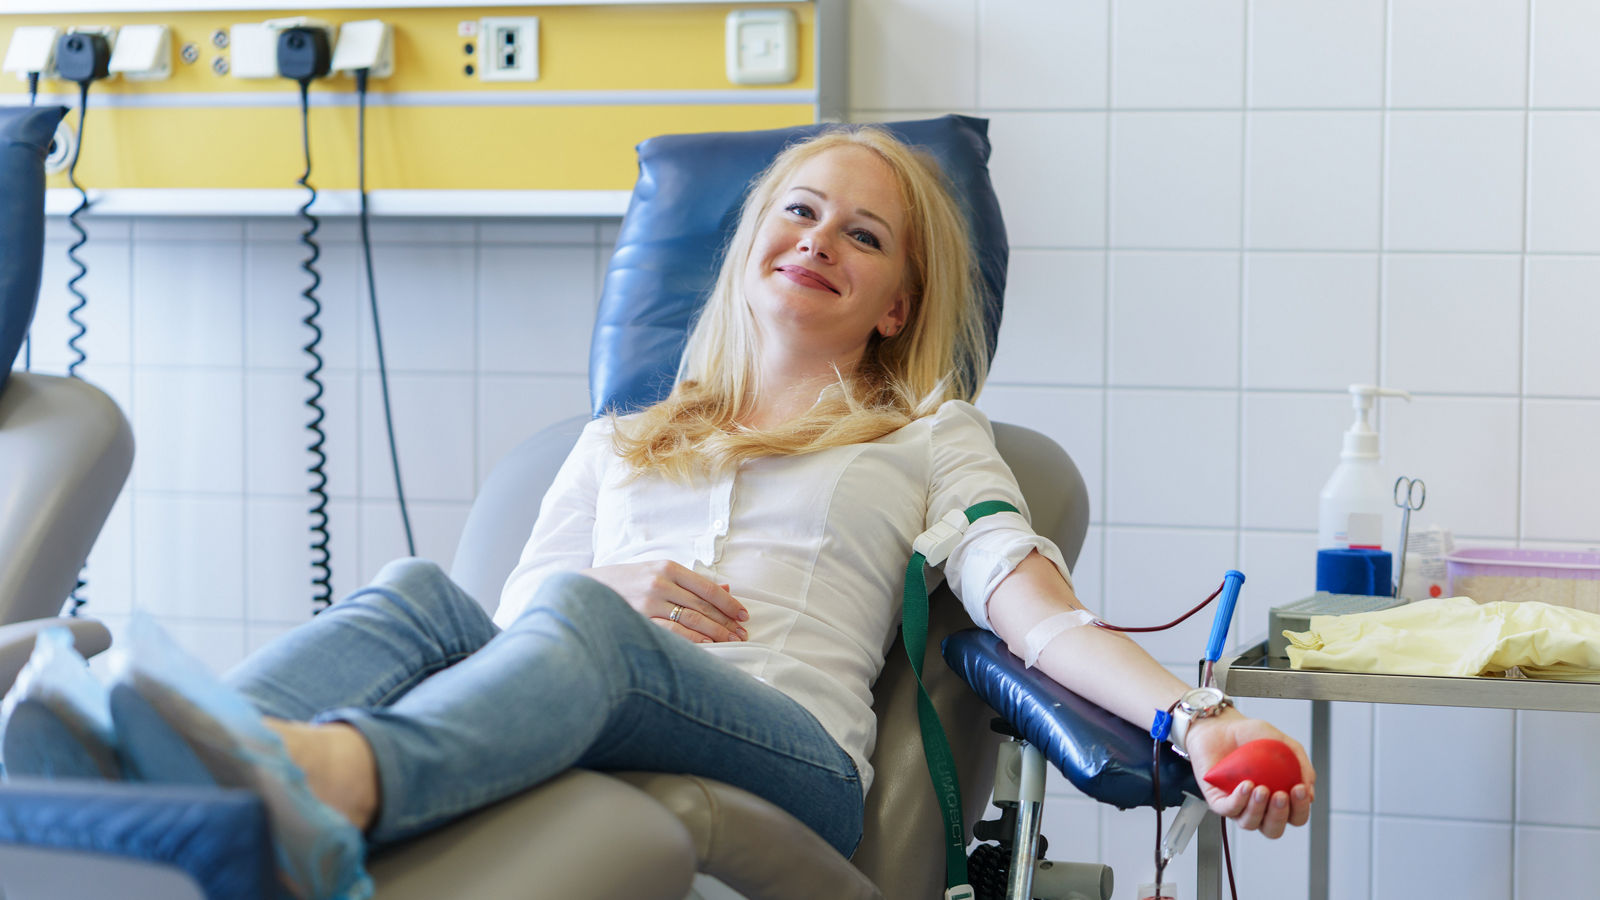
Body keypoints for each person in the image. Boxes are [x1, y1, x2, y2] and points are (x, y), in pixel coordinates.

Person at [0, 125, 1314, 897]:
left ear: (898, 304)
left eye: (865, 236)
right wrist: (603, 609)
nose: (820, 238)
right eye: (799, 210)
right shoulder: (619, 436)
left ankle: (313, 787)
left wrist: (1195, 715)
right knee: (414, 589)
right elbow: (515, 631)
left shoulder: (930, 433)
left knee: (574, 614)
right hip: (580, 708)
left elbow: (1036, 614)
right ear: (748, 243)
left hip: (788, 760)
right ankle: (104, 773)